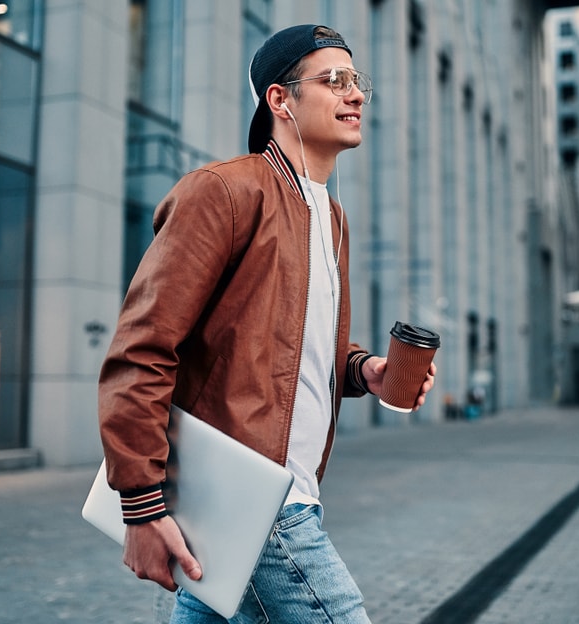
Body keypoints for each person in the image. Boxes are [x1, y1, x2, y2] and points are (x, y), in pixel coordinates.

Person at [97, 24, 436, 623]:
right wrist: (142, 507)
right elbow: (142, 349)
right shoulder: (223, 192)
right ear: (280, 100)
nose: (354, 94)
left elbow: (286, 339)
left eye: (358, 82)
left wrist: (365, 371)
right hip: (254, 496)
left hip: (283, 493)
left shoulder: (331, 218)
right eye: (333, 81)